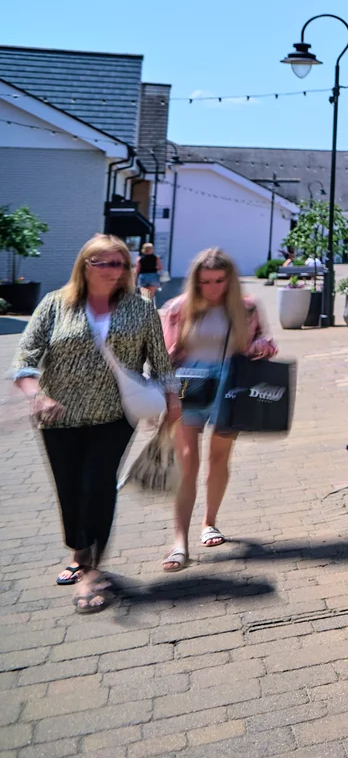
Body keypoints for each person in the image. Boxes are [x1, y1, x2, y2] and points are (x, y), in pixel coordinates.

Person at [11, 234, 179, 613]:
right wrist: (37, 395)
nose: (112, 270)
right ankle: (78, 549)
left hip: (114, 416)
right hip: (59, 417)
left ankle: (92, 571)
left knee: (98, 485)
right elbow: (25, 358)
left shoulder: (140, 308)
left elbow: (161, 362)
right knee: (69, 488)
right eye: (102, 262)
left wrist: (172, 401)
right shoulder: (55, 304)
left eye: (119, 263)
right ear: (84, 266)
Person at [159, 248, 275, 571]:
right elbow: (163, 358)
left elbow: (261, 342)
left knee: (219, 458)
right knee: (187, 462)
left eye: (219, 280)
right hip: (189, 384)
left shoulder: (246, 308)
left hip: (231, 384)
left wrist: (261, 347)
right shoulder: (177, 308)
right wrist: (165, 399)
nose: (212, 288)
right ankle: (179, 541)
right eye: (205, 281)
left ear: (230, 279)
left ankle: (209, 522)